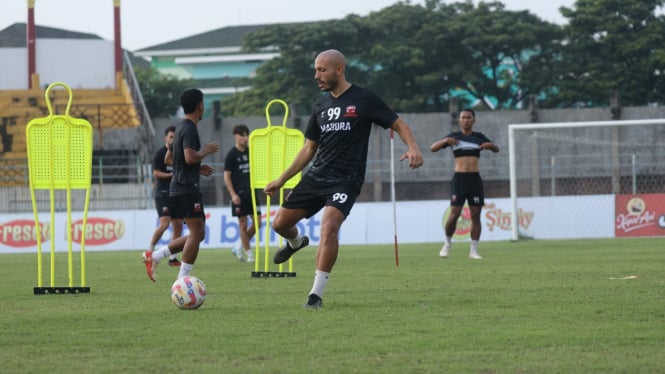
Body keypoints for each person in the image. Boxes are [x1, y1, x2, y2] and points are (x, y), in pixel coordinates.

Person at [263, 49, 424, 309]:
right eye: (315, 70)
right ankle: (296, 242)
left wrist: (414, 146)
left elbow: (398, 124)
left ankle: (315, 295)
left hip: (346, 180)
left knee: (329, 226)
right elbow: (308, 148)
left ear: (339, 69)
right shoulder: (320, 106)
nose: (316, 76)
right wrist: (282, 180)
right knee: (280, 224)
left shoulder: (365, 99)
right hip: (317, 176)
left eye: (322, 70)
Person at [142, 88, 220, 281]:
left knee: (198, 233)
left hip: (182, 186)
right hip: (186, 188)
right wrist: (206, 151)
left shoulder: (181, 127)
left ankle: (157, 256)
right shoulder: (189, 129)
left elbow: (173, 159)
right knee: (197, 232)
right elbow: (189, 156)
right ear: (200, 106)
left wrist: (197, 169)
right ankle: (181, 280)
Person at [429, 108, 499, 260]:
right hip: (459, 178)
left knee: (476, 215)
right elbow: (432, 148)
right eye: (463, 118)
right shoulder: (454, 137)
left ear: (474, 120)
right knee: (454, 214)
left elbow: (496, 148)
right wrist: (445, 141)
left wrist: (490, 146)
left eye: (469, 118)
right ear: (459, 120)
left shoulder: (478, 137)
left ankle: (473, 250)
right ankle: (447, 244)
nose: (466, 120)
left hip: (474, 179)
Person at [224, 124, 260, 263]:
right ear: (235, 136)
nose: (245, 138)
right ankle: (249, 253)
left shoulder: (250, 152)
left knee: (258, 224)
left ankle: (238, 246)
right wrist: (233, 194)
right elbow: (227, 176)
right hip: (239, 194)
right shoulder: (231, 155)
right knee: (243, 224)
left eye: (246, 135)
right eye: (242, 135)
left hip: (252, 192)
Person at [147, 126, 183, 267]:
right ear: (165, 138)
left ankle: (172, 258)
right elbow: (156, 173)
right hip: (163, 193)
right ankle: (149, 252)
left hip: (176, 194)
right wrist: (171, 175)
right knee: (164, 224)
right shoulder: (160, 154)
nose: (173, 139)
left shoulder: (179, 154)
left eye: (175, 137)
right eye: (171, 137)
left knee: (179, 226)